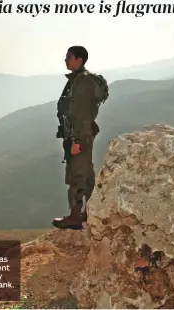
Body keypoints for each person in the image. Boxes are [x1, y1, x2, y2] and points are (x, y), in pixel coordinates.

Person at [52, 46, 106, 230]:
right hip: (82, 135)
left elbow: (81, 114)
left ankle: (75, 216)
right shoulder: (77, 80)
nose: (65, 60)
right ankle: (91, 211)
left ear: (79, 59)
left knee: (76, 176)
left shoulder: (82, 82)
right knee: (87, 175)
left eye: (69, 57)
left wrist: (75, 141)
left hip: (80, 136)